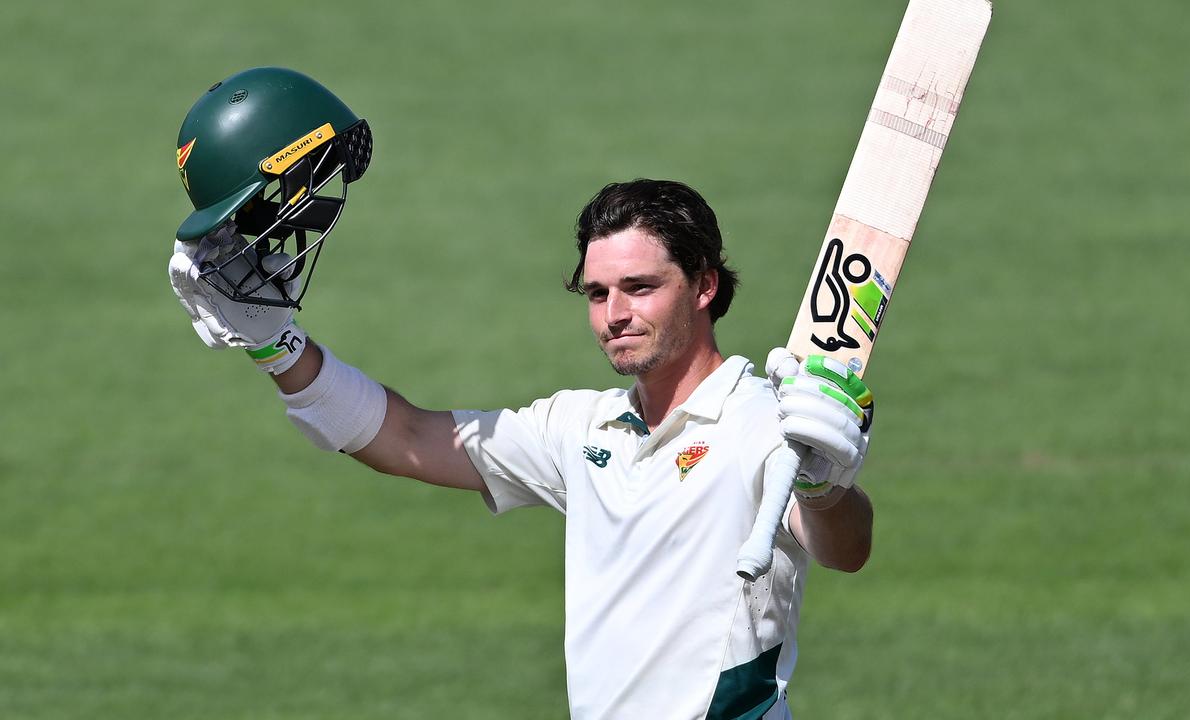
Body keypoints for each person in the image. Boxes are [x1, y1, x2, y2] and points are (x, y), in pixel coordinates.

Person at [169, 67, 875, 720]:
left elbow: (845, 548)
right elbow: (406, 439)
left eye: (640, 288)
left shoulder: (766, 421)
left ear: (706, 285)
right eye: (597, 293)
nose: (614, 314)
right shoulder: (582, 431)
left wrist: (824, 489)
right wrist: (276, 347)